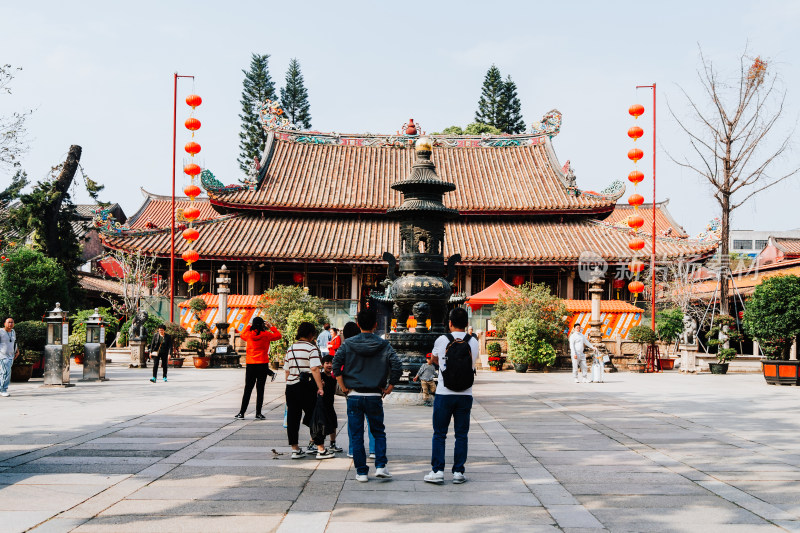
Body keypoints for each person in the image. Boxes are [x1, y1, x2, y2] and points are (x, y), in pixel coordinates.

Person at [333, 308, 402, 483]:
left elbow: (335, 364)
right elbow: (397, 365)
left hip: (354, 395)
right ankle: (380, 466)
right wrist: (390, 386)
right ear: (375, 325)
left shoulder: (348, 344)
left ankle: (361, 472)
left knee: (356, 435)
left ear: (358, 324)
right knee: (378, 432)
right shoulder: (384, 345)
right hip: (374, 395)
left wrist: (343, 387)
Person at [424, 307, 479, 485]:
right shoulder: (474, 342)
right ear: (467, 324)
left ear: (450, 323)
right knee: (461, 434)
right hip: (465, 393)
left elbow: (433, 359)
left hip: (444, 393)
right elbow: (472, 363)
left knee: (440, 433)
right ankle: (458, 472)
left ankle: (438, 471)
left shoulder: (442, 339)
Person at [285, 321, 335, 460]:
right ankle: (320, 449)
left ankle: (295, 449)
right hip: (306, 387)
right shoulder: (311, 348)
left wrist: (290, 384)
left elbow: (287, 371)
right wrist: (320, 387)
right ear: (311, 334)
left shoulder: (291, 348)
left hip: (291, 387)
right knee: (315, 416)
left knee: (293, 418)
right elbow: (314, 369)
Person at [339, 321, 375, 459]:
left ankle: (353, 450)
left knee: (354, 422)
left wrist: (342, 386)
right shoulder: (371, 344)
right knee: (373, 421)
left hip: (353, 389)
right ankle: (373, 450)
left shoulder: (345, 347)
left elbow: (336, 366)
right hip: (372, 388)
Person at [235, 317, 282, 420]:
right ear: (262, 325)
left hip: (251, 364)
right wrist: (271, 327)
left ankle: (242, 413)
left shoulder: (248, 335)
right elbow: (278, 336)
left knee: (248, 389)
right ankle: (258, 413)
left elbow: (242, 335)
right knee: (260, 390)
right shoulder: (267, 335)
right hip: (262, 364)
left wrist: (249, 325)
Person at [320, 355, 342, 452]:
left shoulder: (334, 376)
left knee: (333, 422)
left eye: (331, 363)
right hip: (321, 404)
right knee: (320, 425)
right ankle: (313, 443)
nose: (329, 365)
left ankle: (332, 443)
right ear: (322, 365)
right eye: (327, 363)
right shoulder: (320, 376)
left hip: (330, 404)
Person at [0, 317, 19, 397]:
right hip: (3, 356)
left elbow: (14, 342)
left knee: (3, 373)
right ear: (5, 323)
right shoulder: (1, 332)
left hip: (11, 355)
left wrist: (17, 351)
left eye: (12, 322)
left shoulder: (13, 332)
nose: (10, 324)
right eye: (9, 322)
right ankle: (3, 389)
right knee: (6, 373)